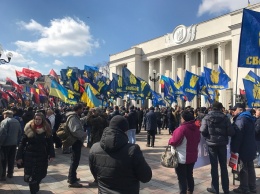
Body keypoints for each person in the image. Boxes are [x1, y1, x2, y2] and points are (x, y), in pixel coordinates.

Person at [89, 115, 152, 194]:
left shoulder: (94, 148)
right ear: (125, 131)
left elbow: (95, 174)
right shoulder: (132, 150)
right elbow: (146, 177)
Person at [200, 102, 235, 194]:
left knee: (214, 167)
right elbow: (231, 132)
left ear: (212, 108)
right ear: (221, 108)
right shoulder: (225, 118)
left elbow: (202, 130)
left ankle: (215, 189)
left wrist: (208, 136)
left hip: (211, 144)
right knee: (223, 167)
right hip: (222, 144)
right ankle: (226, 189)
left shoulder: (206, 117)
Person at [16, 112, 55, 194]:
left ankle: (35, 185)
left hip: (42, 155)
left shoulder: (46, 129)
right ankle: (33, 190)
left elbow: (50, 144)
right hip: (29, 155)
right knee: (30, 175)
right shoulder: (28, 128)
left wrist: (51, 154)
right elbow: (22, 143)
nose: (37, 121)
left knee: (40, 174)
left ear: (42, 120)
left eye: (39, 119)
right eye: (36, 119)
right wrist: (18, 156)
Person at [168, 110, 200, 194]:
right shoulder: (196, 128)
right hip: (192, 156)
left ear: (184, 119)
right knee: (189, 175)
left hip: (182, 157)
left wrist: (170, 140)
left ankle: (183, 192)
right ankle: (190, 190)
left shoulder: (182, 129)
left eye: (181, 118)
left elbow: (174, 141)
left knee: (182, 178)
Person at [231, 103, 257, 193]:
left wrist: (235, 149)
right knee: (250, 167)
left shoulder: (241, 119)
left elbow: (238, 135)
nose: (233, 112)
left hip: (243, 148)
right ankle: (252, 187)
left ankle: (244, 187)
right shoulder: (250, 118)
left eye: (235, 110)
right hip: (250, 146)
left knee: (243, 168)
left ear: (240, 110)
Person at [66, 103, 88, 188]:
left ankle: (72, 176)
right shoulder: (72, 117)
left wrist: (87, 116)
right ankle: (72, 180)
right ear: (78, 109)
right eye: (82, 109)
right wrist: (84, 134)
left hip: (76, 141)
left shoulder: (75, 117)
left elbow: (80, 122)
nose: (82, 110)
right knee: (75, 160)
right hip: (75, 141)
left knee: (75, 160)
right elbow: (75, 131)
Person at [0, 110, 22, 181]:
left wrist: (1, 143)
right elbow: (20, 132)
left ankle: (3, 175)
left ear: (6, 115)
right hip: (14, 143)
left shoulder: (5, 122)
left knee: (3, 160)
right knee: (11, 159)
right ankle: (10, 173)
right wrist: (16, 140)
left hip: (5, 144)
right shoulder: (17, 121)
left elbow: (3, 133)